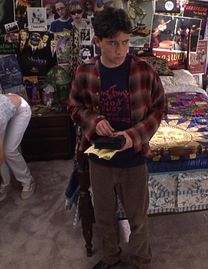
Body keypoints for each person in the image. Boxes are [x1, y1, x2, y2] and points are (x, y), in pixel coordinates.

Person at [67, 7, 166, 269]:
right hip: (99, 159)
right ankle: (110, 260)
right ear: (97, 41)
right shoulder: (84, 72)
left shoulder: (144, 71)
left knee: (138, 219)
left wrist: (133, 136)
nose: (121, 50)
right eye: (112, 43)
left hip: (133, 159)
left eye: (125, 42)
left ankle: (140, 263)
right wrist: (94, 121)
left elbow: (159, 109)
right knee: (104, 217)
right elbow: (74, 107)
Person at [0, 94, 36, 202]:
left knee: (8, 151)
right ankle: (5, 184)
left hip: (21, 110)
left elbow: (1, 157)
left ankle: (28, 182)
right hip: (8, 108)